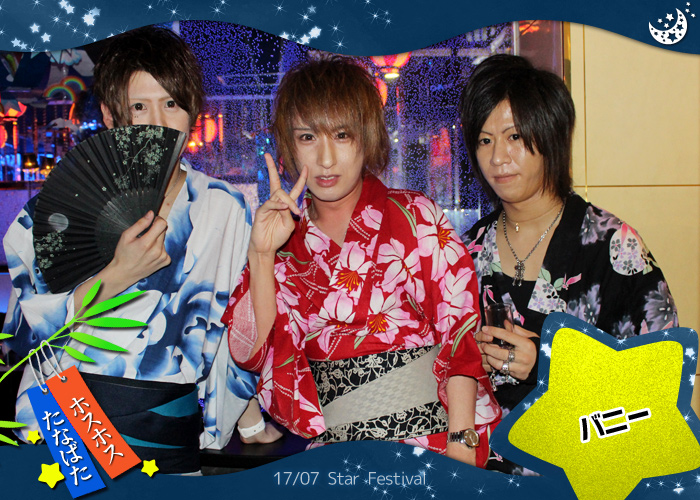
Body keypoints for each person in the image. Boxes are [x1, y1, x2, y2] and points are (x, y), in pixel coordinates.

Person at [1, 26, 279, 474]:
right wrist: (116, 276)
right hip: (66, 414)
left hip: (166, 425)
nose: (158, 123)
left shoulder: (223, 207)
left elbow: (229, 326)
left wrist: (248, 421)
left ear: (193, 112)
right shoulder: (55, 210)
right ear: (111, 116)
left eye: (171, 104)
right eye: (138, 106)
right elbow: (24, 341)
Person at [223, 56, 501, 467]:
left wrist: (462, 442)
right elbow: (249, 353)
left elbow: (459, 334)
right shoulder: (282, 241)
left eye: (341, 135)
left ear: (366, 137)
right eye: (307, 137)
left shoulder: (415, 216)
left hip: (433, 441)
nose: (326, 159)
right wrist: (261, 254)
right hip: (337, 451)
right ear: (288, 145)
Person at [458, 54, 678, 472]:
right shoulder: (465, 252)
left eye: (515, 136)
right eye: (484, 140)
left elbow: (661, 382)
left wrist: (549, 366)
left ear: (551, 136)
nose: (498, 157)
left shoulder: (612, 247)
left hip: (582, 476)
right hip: (483, 476)